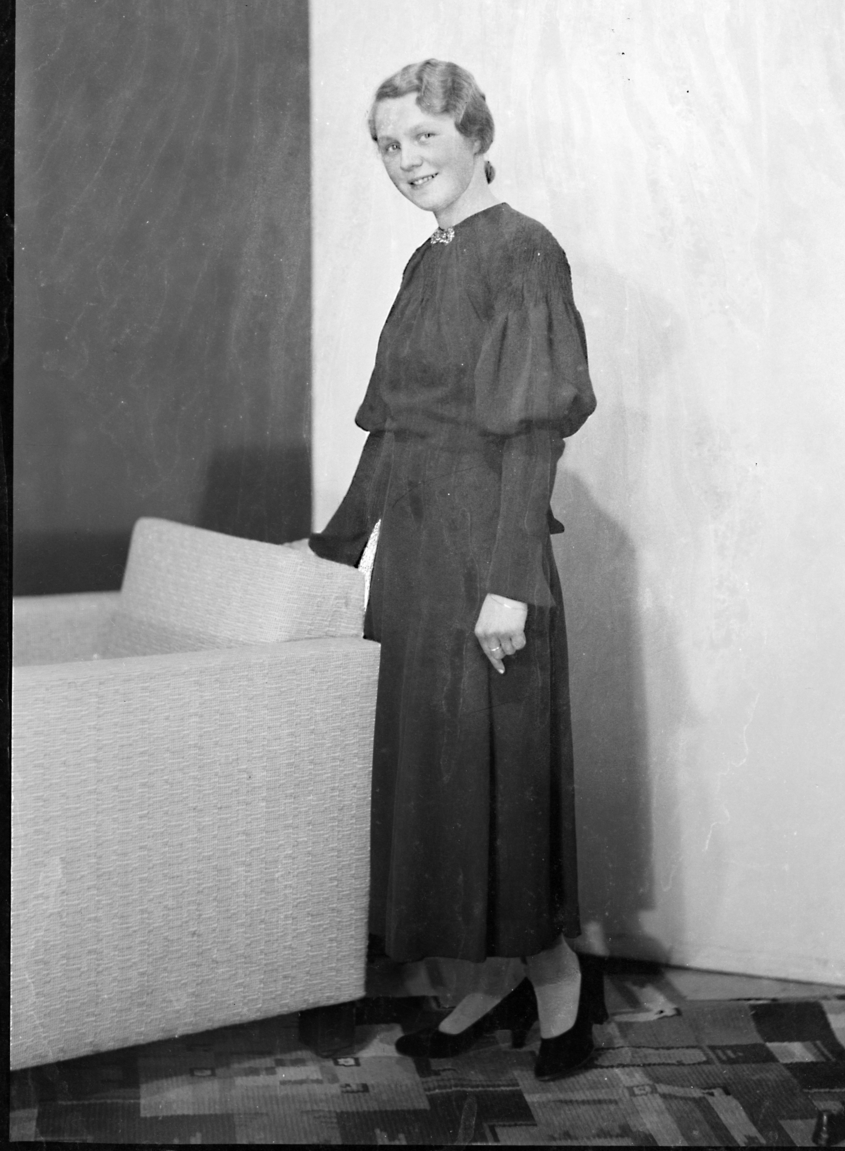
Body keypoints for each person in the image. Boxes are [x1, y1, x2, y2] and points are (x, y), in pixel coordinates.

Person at [307, 59, 602, 1081]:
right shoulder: (422, 263)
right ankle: (487, 982)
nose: (405, 160)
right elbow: (393, 430)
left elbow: (533, 435)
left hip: (488, 556)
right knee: (439, 779)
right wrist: (333, 548)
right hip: (416, 565)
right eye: (388, 145)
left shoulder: (523, 250)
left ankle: (559, 985)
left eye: (423, 136)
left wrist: (511, 581)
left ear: (475, 134)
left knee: (499, 777)